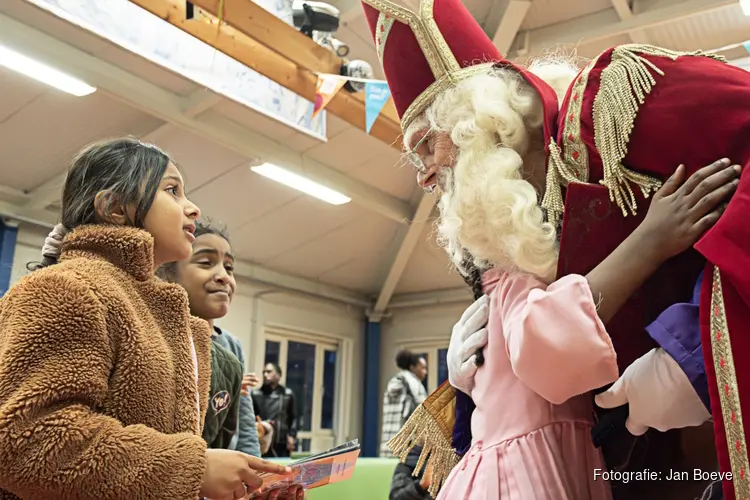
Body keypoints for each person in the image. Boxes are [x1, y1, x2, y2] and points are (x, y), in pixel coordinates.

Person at [358, 0, 750, 498]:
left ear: (475, 121)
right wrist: (466, 381)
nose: (423, 175)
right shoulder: (522, 220)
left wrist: (692, 354)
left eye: (425, 146)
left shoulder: (614, 105)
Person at [0, 137, 293, 500]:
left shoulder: (179, 324)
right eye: (173, 190)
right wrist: (194, 469)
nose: (193, 209)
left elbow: (157, 480)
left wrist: (234, 490)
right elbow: (24, 443)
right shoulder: (68, 287)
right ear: (114, 207)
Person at [160, 219, 262, 457]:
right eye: (206, 263)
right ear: (168, 274)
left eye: (229, 268)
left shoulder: (231, 348)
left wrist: (256, 479)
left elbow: (243, 425)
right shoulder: (156, 338)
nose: (224, 276)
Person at [380, 350, 428, 457]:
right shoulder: (413, 384)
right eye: (422, 367)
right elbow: (423, 410)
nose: (425, 372)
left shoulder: (395, 381)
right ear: (412, 367)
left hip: (390, 439)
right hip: (406, 444)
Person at [252, 363, 298, 458]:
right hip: (261, 442)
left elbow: (293, 417)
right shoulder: (256, 394)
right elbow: (251, 418)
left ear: (278, 375)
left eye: (269, 372)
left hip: (281, 443)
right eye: (264, 372)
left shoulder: (287, 394)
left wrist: (292, 436)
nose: (265, 374)